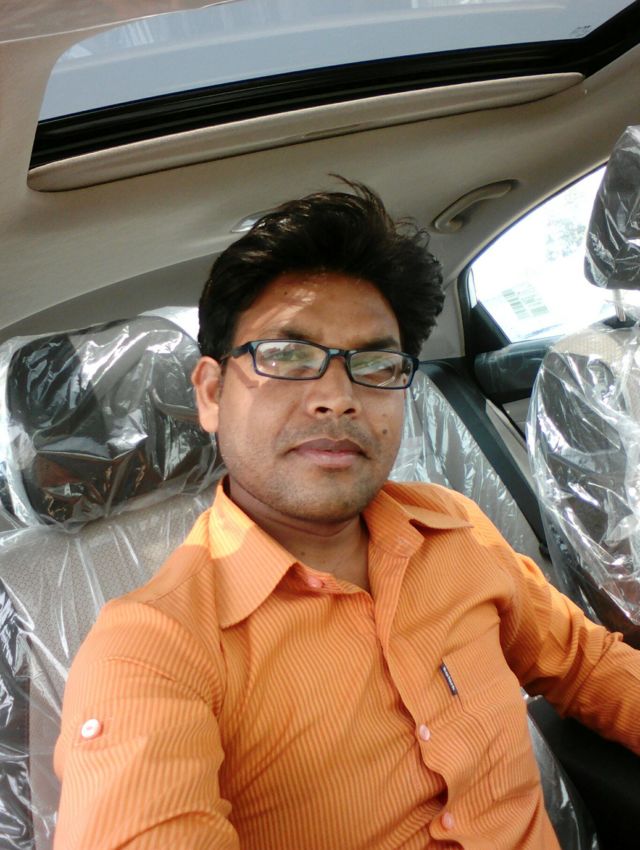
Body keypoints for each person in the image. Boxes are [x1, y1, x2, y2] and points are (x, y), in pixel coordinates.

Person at [54, 181, 640, 850]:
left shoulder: (452, 527)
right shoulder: (153, 649)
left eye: (376, 363)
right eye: (287, 356)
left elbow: (587, 665)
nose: (337, 397)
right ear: (211, 395)